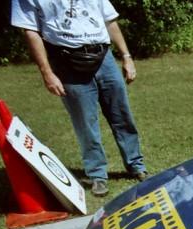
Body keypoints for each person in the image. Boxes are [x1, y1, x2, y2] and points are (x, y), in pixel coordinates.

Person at [11, 0, 147, 197]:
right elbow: (30, 32)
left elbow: (109, 21)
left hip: (104, 57)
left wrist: (126, 56)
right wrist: (47, 73)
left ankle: (137, 165)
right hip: (67, 61)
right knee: (85, 123)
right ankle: (98, 175)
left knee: (122, 115)